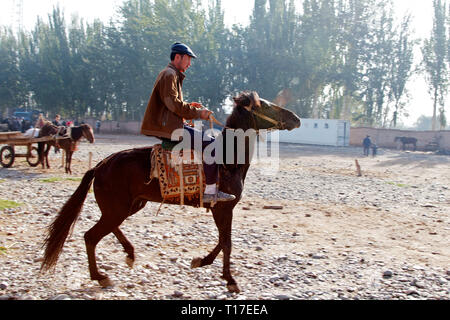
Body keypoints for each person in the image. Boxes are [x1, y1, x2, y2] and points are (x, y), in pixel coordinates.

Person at [141, 42, 235, 204]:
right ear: (178, 57)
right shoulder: (169, 74)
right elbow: (174, 105)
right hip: (170, 130)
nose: (189, 64)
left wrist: (190, 107)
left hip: (170, 126)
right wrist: (200, 113)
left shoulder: (171, 74)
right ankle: (211, 192)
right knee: (211, 144)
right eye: (188, 60)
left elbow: (171, 104)